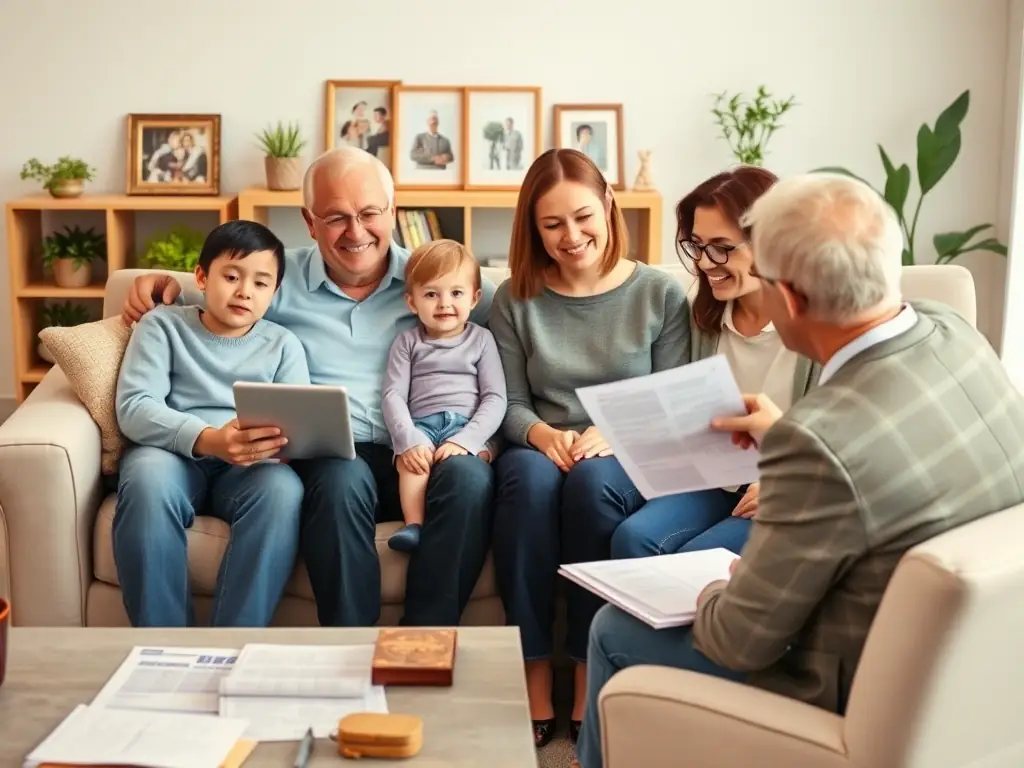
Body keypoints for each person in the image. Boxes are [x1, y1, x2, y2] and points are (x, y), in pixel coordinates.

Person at [573, 172, 1024, 768]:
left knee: (614, 628)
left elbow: (735, 639)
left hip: (842, 685)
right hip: (979, 675)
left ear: (789, 298)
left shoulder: (819, 443)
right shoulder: (953, 331)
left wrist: (717, 585)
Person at [120, 146, 498, 628]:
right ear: (309, 221)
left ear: (393, 211)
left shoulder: (434, 278)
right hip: (340, 453)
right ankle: (349, 646)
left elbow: (495, 320)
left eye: (369, 213)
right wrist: (159, 283)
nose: (356, 232)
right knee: (338, 483)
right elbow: (221, 300)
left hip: (430, 441)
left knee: (470, 481)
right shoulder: (278, 279)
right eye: (337, 217)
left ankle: (422, 641)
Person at [488, 148, 689, 747]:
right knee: (528, 484)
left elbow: (670, 400)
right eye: (552, 225)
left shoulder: (660, 293)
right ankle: (531, 671)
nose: (570, 237)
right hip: (540, 444)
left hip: (624, 453)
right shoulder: (513, 298)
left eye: (581, 217)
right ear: (533, 229)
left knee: (592, 485)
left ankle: (583, 672)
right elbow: (512, 404)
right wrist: (543, 434)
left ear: (607, 205)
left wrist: (619, 432)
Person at [610, 167, 819, 560]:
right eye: (696, 245)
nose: (705, 263)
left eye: (722, 247)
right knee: (633, 538)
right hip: (712, 479)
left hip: (783, 485)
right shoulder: (700, 319)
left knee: (699, 557)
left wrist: (789, 480)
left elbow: (844, 435)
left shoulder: (816, 328)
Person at [113, 219, 308, 628]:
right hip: (170, 455)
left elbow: (298, 420)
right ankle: (162, 643)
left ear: (274, 293)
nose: (244, 291)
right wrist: (208, 438)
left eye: (260, 283)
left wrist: (278, 446)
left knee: (282, 488)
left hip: (249, 468)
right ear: (201, 277)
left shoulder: (282, 345)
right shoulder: (162, 325)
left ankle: (232, 643)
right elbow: (134, 405)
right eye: (231, 276)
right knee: (146, 478)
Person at [381, 239, 507, 553]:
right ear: (411, 302)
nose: (444, 304)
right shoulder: (407, 342)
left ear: (475, 298)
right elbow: (393, 394)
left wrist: (467, 439)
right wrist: (407, 437)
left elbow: (495, 398)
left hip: (467, 428)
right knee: (411, 465)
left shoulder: (482, 340)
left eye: (456, 293)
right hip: (422, 425)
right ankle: (414, 525)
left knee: (473, 465)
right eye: (431, 294)